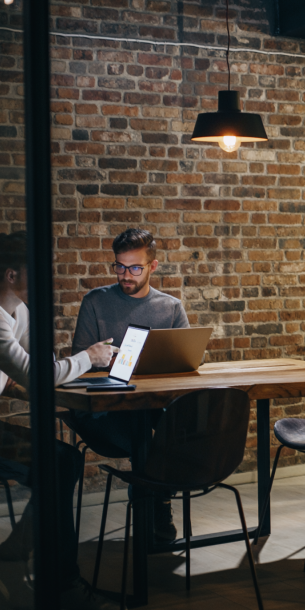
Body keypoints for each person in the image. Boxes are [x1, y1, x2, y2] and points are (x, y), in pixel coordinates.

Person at [0, 232, 119, 610]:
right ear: (12, 274)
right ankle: (61, 583)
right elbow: (39, 374)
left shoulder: (20, 312)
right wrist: (90, 356)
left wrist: (57, 370)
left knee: (62, 462)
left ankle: (21, 549)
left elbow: (41, 366)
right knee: (61, 463)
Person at [68, 228, 189, 540]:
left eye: (135, 267)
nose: (126, 275)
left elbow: (186, 362)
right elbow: (79, 364)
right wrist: (107, 361)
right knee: (146, 439)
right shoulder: (95, 302)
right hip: (105, 408)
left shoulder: (170, 307)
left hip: (153, 403)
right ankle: (155, 505)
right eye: (119, 266)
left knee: (182, 427)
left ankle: (157, 499)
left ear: (153, 266)